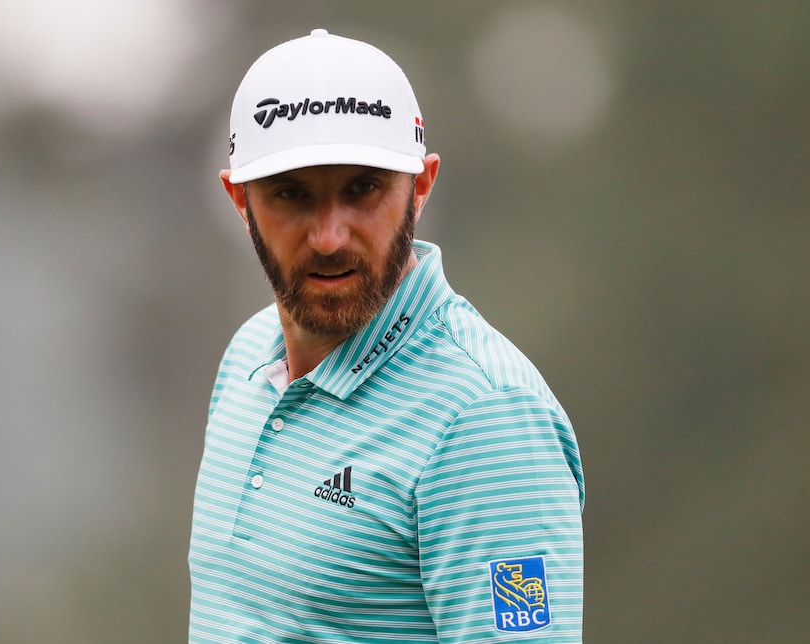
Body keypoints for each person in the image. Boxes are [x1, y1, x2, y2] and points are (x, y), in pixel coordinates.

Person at [188, 28, 584, 643]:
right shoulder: (246, 358)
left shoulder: (486, 416)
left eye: (362, 189)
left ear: (420, 187)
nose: (329, 237)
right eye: (291, 194)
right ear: (239, 199)